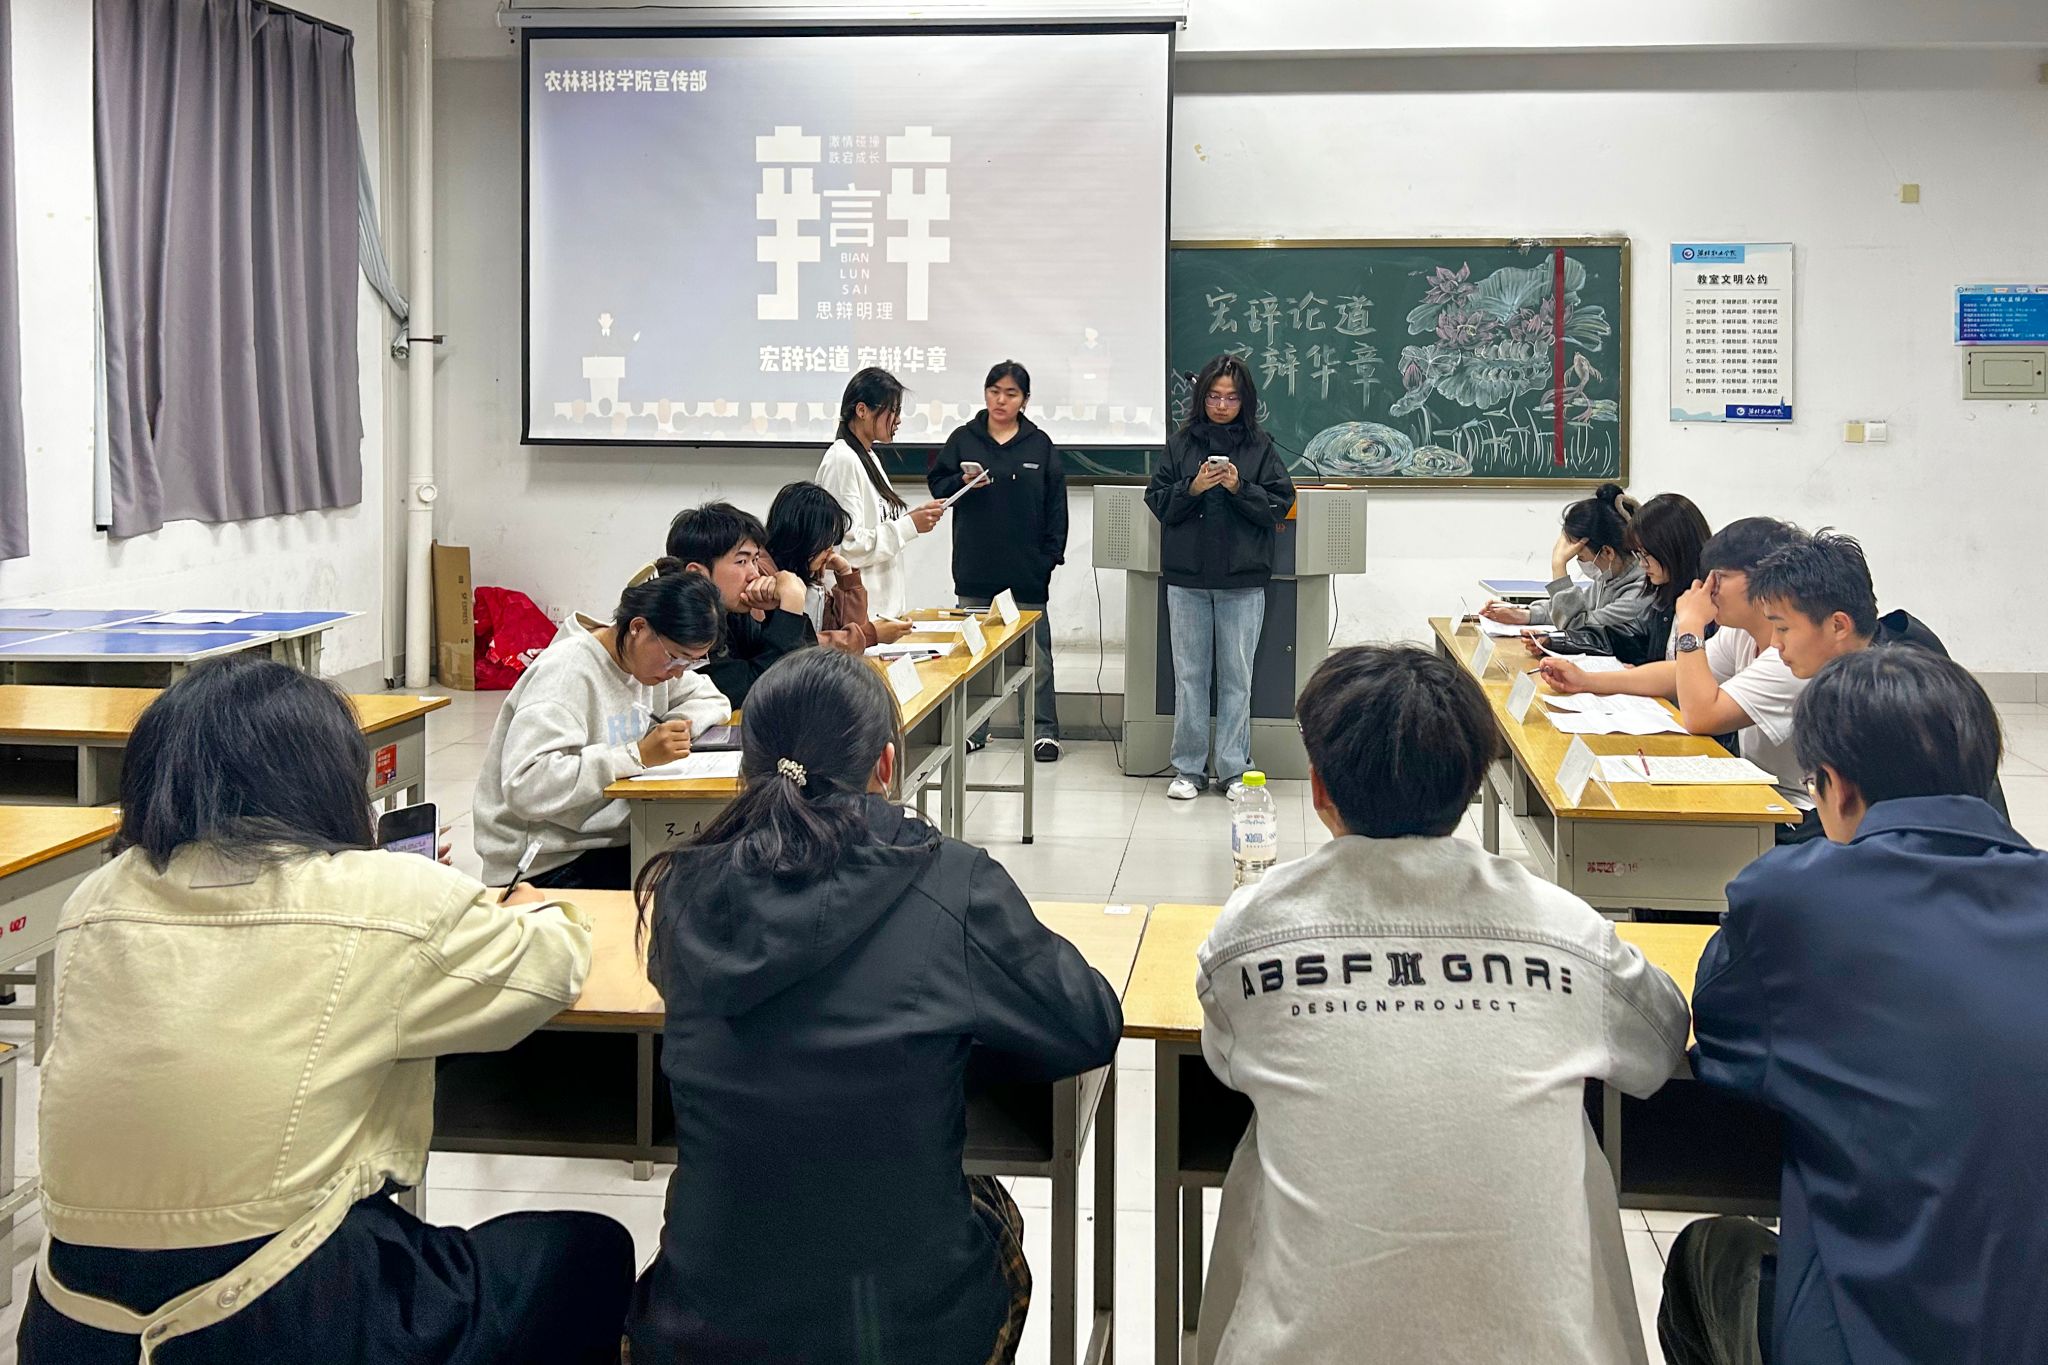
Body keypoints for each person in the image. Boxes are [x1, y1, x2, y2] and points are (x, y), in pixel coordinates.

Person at [19, 657, 629, 1364]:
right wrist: (518, 902)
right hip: (270, 1317)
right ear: (325, 776)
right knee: (586, 1251)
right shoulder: (382, 897)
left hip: (71, 1321)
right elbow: (553, 964)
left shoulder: (94, 900)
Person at [625, 649, 1123, 1364]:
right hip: (904, 1339)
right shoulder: (950, 880)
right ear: (886, 765)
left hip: (699, 1336)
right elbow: (1088, 1022)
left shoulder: (684, 888)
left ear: (745, 764)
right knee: (992, 1211)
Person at [1195, 644, 1688, 1365]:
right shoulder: (1567, 929)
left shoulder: (1252, 930)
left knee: (1263, 1148)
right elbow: (1660, 1045)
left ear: (1319, 788)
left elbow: (1225, 1058)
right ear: (1473, 783)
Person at [1662, 648, 2048, 1365]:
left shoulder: (1794, 898)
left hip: (1881, 1336)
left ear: (1833, 787)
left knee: (1708, 1255)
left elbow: (1721, 1044)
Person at [1539, 517, 1819, 841]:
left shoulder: (1788, 656)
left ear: (1764, 580)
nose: (1709, 587)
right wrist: (1587, 681)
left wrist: (1690, 625)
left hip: (1795, 814)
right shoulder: (1742, 634)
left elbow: (1700, 717)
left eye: (1721, 577)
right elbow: (1675, 673)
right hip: (1759, 791)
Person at [473, 564, 731, 890]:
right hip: (547, 860)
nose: (679, 672)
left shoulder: (649, 663)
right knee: (687, 893)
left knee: (717, 871)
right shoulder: (566, 675)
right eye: (676, 658)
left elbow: (713, 699)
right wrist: (636, 755)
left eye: (692, 662)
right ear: (638, 627)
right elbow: (525, 786)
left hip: (610, 835)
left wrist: (674, 728)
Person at [1749, 528, 2007, 815]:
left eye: (1782, 628)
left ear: (1838, 625)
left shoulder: (1881, 693)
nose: (1775, 642)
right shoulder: (1891, 651)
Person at [1144, 354, 1297, 802]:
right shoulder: (1180, 444)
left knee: (1237, 679)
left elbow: (1280, 503)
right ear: (1201, 397)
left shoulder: (1260, 446)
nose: (1222, 405)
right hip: (1187, 580)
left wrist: (1237, 487)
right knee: (1190, 677)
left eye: (1231, 398)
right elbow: (1158, 501)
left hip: (1242, 581)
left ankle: (1233, 769)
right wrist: (1192, 488)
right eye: (1214, 396)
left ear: (1244, 400)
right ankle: (1188, 769)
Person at [929, 360, 1069, 761]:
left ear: (1025, 400)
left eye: (1010, 393)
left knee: (1037, 657)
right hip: (976, 568)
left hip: (1027, 571)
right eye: (994, 391)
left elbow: (1055, 505)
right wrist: (961, 482)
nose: (1000, 400)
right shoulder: (964, 439)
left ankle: (1042, 731)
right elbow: (938, 484)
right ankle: (974, 730)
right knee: (974, 654)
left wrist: (1050, 557)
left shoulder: (1039, 444)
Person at [815, 367, 948, 620]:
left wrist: (910, 519)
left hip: (881, 613)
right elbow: (847, 547)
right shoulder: (842, 460)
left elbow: (875, 528)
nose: (898, 420)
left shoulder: (868, 457)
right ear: (862, 410)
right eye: (892, 410)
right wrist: (908, 525)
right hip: (862, 617)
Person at [666, 500, 812, 708]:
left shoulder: (732, 613)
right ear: (697, 574)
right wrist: (789, 611)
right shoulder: (682, 627)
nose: (755, 574)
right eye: (742, 561)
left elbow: (809, 672)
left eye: (755, 560)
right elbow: (760, 691)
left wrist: (777, 611)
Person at [1539, 492, 1711, 665]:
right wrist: (1554, 640)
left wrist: (1558, 565)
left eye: (1645, 555)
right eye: (1638, 554)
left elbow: (1679, 672)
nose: (1642, 564)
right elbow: (1621, 640)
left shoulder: (1707, 609)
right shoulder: (1663, 598)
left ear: (1673, 550)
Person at [762, 480, 912, 655]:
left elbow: (850, 631)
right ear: (802, 536)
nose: (830, 549)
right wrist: (870, 635)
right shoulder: (766, 578)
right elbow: (800, 646)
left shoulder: (808, 576)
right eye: (826, 540)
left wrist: (846, 576)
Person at [1483, 482, 1651, 636]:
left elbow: (1576, 627)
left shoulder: (1641, 591)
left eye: (1580, 556)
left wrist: (1558, 565)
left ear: (1607, 552)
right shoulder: (1610, 577)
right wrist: (1525, 614)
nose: (1580, 561)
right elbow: (1573, 609)